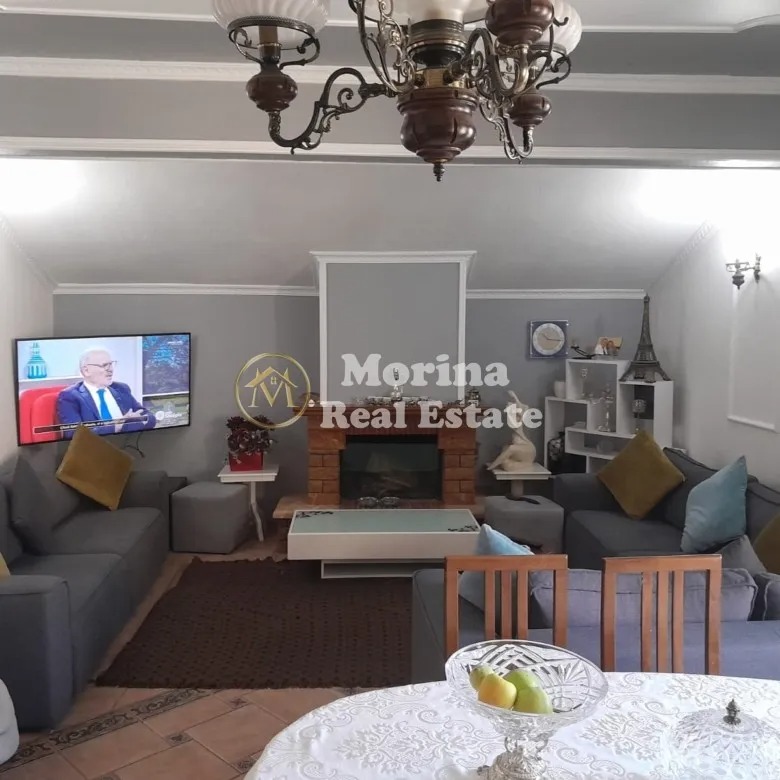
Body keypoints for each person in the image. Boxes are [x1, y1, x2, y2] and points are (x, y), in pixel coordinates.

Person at [56, 347, 157, 439]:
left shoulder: (121, 388)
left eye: (111, 364)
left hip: (130, 444)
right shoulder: (70, 396)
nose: (110, 370)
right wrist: (116, 426)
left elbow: (149, 417)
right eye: (104, 365)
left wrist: (141, 419)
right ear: (86, 370)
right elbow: (73, 434)